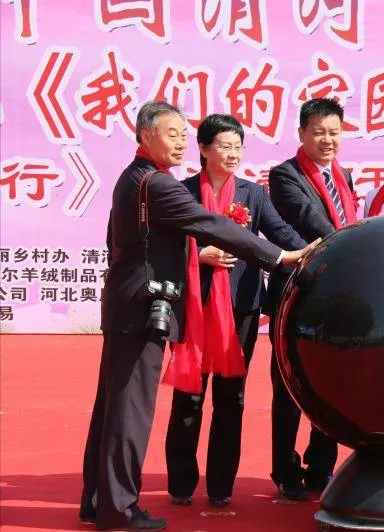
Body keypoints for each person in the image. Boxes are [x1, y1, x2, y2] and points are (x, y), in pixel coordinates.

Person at [79, 101, 316, 530]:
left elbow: (116, 237)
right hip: (143, 309)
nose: (180, 143)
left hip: (128, 306)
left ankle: (99, 500)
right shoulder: (159, 183)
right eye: (172, 134)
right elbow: (213, 225)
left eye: (183, 135)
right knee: (130, 413)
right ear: (145, 135)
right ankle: (119, 510)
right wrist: (280, 257)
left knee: (113, 409)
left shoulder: (134, 177)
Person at [164, 114, 308, 509]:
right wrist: (200, 254)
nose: (233, 153)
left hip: (240, 309)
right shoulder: (182, 192)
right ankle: (181, 483)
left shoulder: (253, 194)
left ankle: (220, 487)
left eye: (238, 146)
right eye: (224, 146)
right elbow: (165, 246)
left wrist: (313, 250)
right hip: (194, 308)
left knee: (231, 398)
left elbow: (280, 234)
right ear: (204, 148)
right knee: (189, 397)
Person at [266, 97, 357, 500]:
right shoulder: (285, 175)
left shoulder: (344, 176)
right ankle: (284, 470)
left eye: (334, 132)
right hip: (297, 292)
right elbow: (309, 219)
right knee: (289, 385)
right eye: (319, 132)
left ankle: (321, 467)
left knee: (331, 382)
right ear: (302, 133)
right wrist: (352, 246)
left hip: (335, 296)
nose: (327, 140)